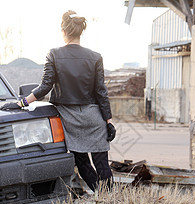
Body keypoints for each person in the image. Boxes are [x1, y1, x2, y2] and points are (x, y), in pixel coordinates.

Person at [1, 10, 116, 193]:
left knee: (82, 162)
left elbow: (44, 87)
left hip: (70, 119)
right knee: (102, 164)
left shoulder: (54, 54)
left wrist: (21, 103)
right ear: (81, 32)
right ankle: (111, 199)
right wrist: (108, 121)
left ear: (63, 31)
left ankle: (100, 195)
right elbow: (101, 92)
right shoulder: (95, 56)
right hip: (94, 117)